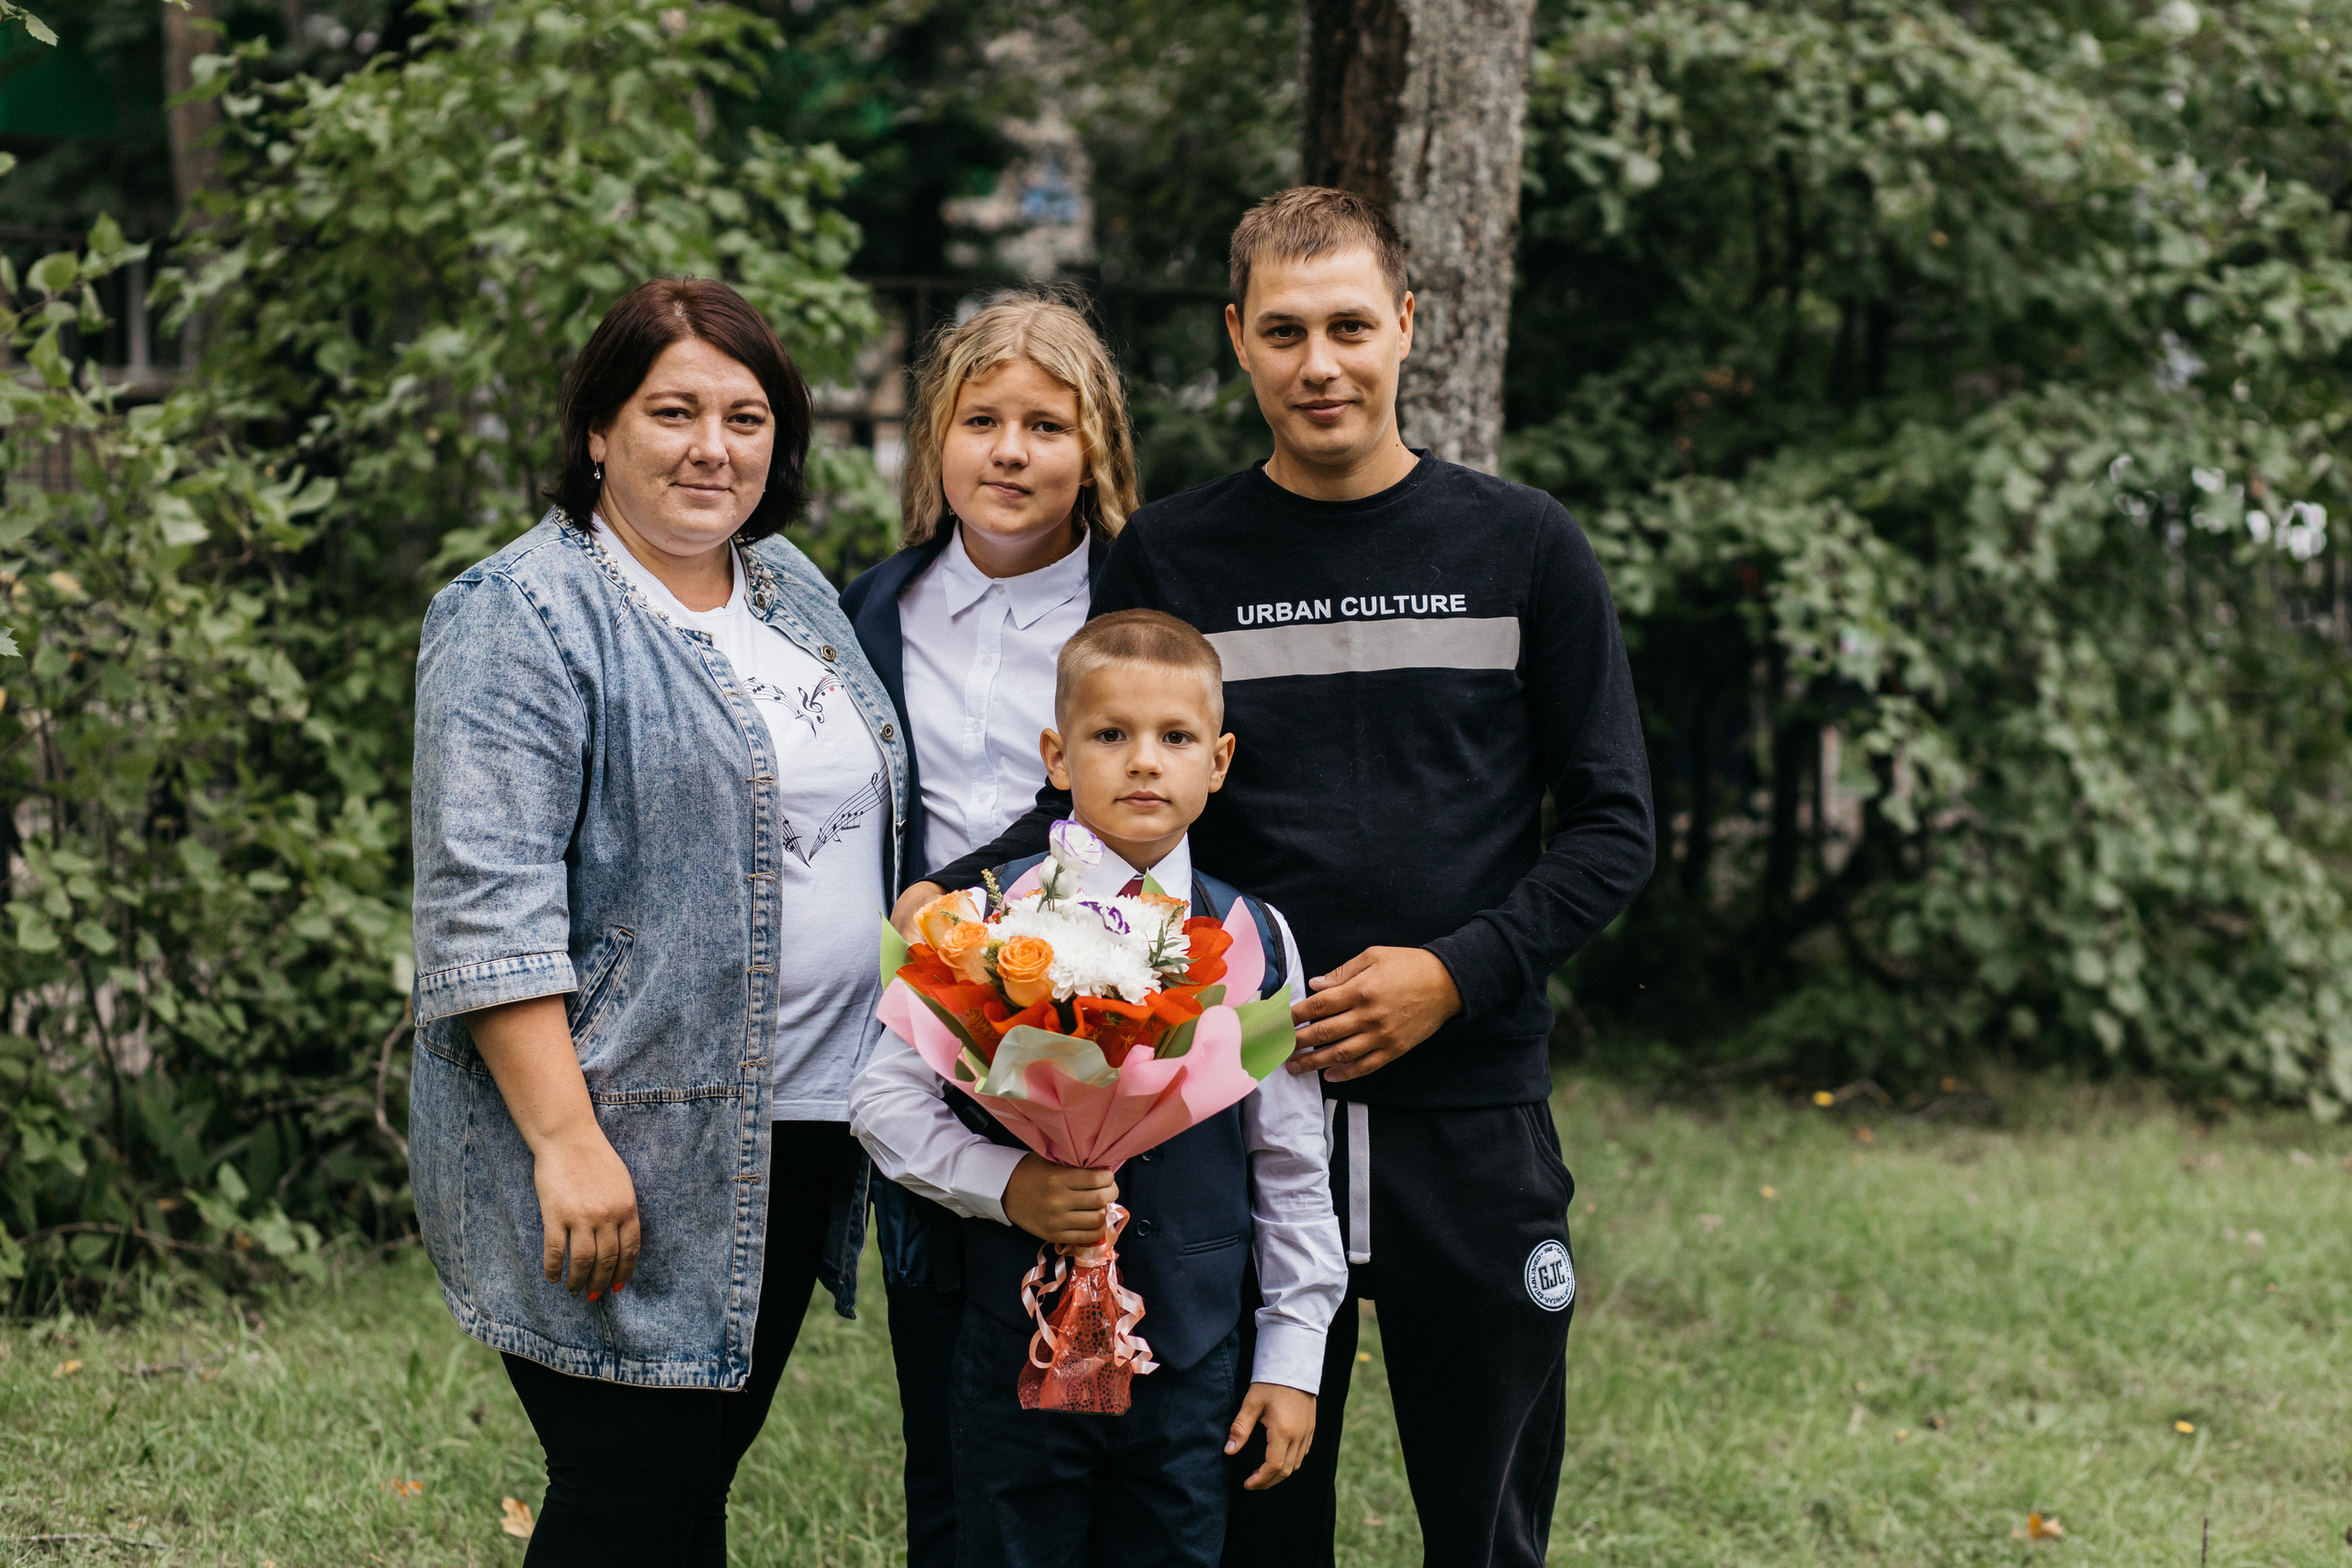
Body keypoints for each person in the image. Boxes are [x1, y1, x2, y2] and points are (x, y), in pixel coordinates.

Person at [893, 187, 1656, 1567]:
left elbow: (1614, 823)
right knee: (1251, 1512)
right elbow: (1098, 784)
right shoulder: (1180, 554)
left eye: (1353, 326)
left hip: (1468, 1113)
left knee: (1485, 1521)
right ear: (1239, 339)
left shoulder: (1525, 543)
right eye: (1288, 330)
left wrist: (1454, 973)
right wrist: (945, 898)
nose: (1323, 364)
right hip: (1229, 1107)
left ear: (1407, 327)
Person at [408, 276, 909, 1567]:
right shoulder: (518, 613)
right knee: (633, 1491)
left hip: (797, 1120)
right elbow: (486, 898)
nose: (712, 446)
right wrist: (567, 1141)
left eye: (746, 416)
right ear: (595, 429)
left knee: (685, 1496)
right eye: (672, 409)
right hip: (616, 1140)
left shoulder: (791, 586)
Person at [851, 610, 1346, 1568]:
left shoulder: (1258, 936)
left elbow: (1289, 1165)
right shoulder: (985, 918)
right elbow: (884, 1102)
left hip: (1194, 1354)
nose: (1144, 763)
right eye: (1110, 736)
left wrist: (1292, 1362)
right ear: (1058, 755)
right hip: (1014, 1348)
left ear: (1220, 760)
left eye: (1175, 738)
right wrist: (1004, 1185)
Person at [839, 293, 1141, 1568]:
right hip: (927, 1047)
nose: (1010, 451)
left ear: (1097, 447)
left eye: (1045, 424)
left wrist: (959, 896)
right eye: (981, 420)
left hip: (1116, 1038)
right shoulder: (872, 609)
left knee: (1097, 1423)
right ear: (935, 440)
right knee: (950, 1416)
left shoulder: (1141, 602)